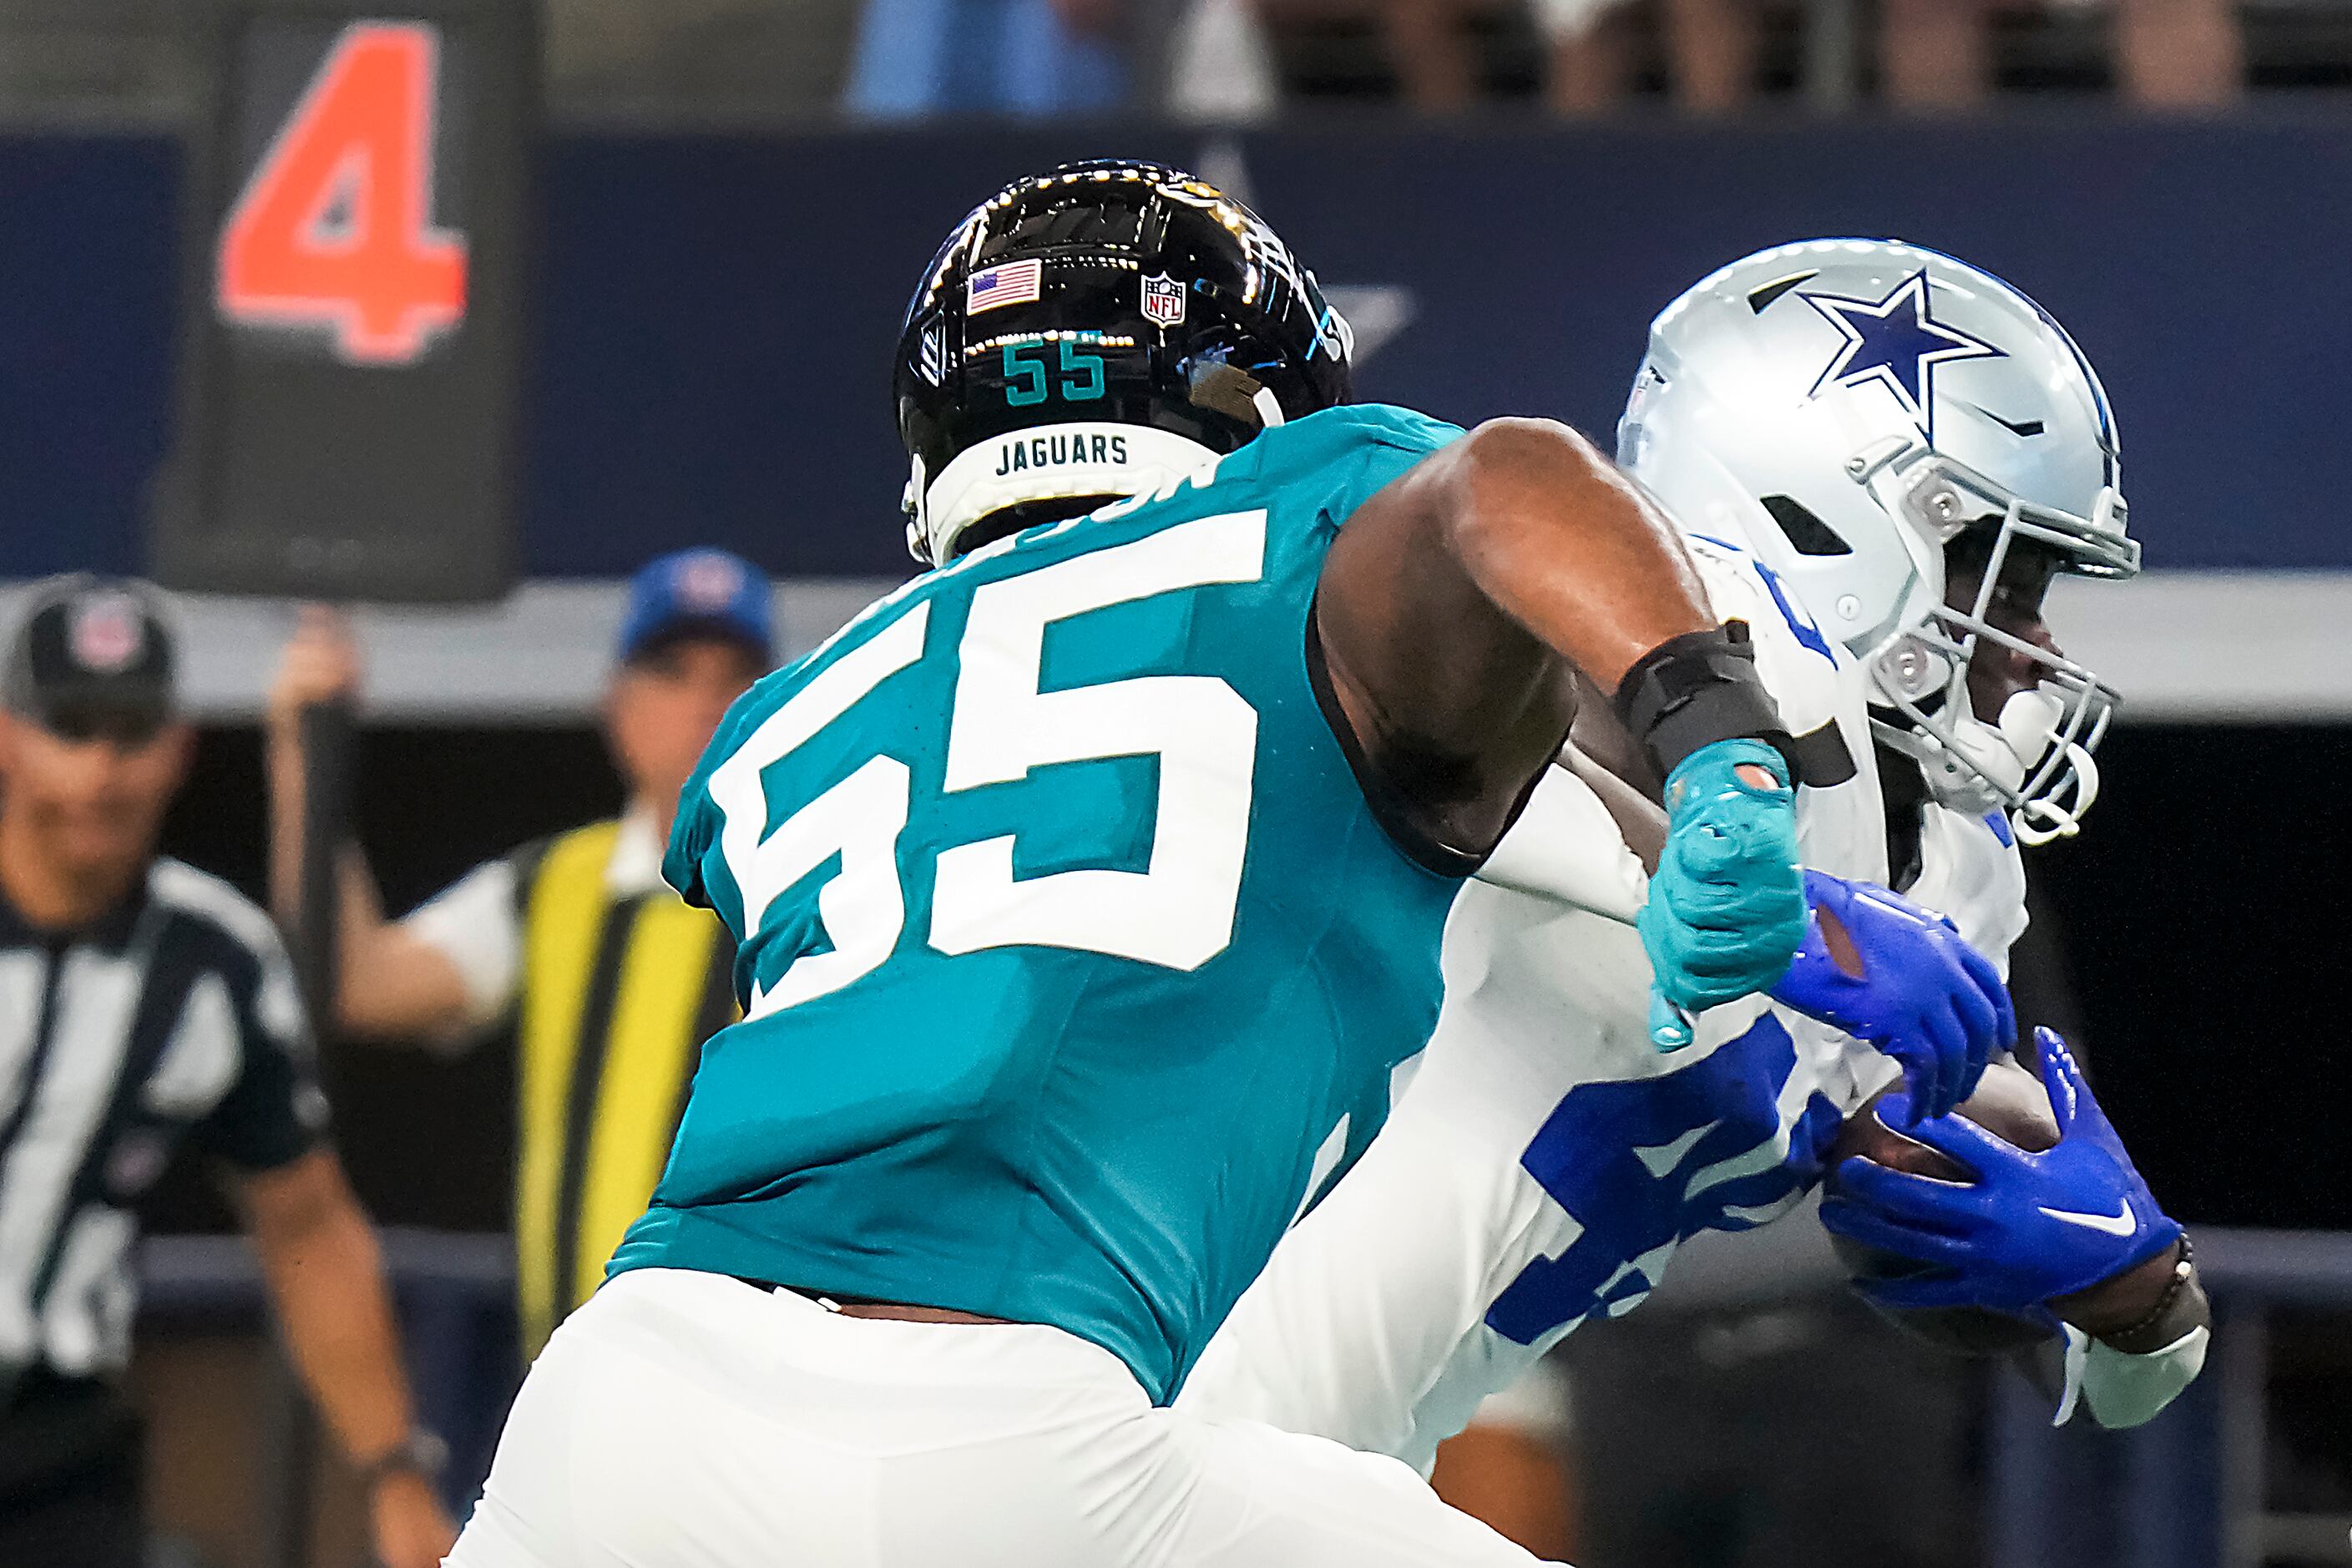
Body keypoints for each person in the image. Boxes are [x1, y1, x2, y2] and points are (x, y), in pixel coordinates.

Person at [447, 159, 1821, 1568]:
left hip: (614, 1406)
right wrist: (1715, 733)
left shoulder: (796, 710)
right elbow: (1512, 477)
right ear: (1271, 413)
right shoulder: (1297, 551)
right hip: (995, 1436)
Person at [1178, 242, 2206, 1510]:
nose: (2031, 645)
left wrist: (2123, 1277)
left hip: (1308, 1467)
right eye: (2008, 571)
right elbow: (1468, 684)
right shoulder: (1721, 649)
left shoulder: (1955, 866)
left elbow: (1906, 1201)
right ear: (1832, 519)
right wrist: (1781, 909)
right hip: (1172, 1419)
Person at [0, 576, 456, 1568]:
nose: (99, 772)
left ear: (178, 746)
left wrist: (392, 1471)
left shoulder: (211, 960)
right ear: (8, 738)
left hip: (54, 1447)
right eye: (70, 729)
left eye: (129, 732)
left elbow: (308, 1225)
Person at [265, 549, 773, 1357]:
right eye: (674, 672)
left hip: (755, 1388)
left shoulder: (817, 886)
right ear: (619, 707)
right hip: (569, 1392)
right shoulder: (551, 886)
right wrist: (303, 756)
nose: (707, 704)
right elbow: (357, 983)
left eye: (737, 676)